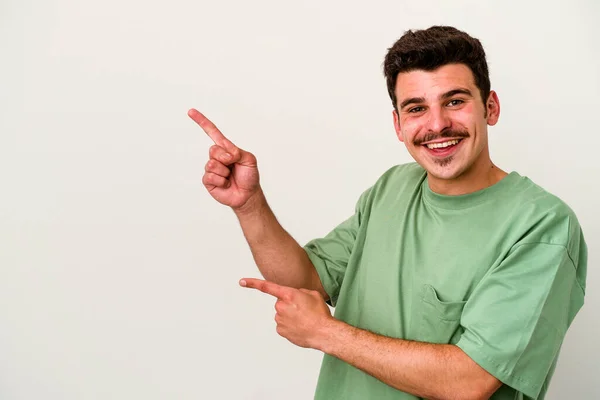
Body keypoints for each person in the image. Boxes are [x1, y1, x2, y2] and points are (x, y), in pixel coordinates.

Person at [190, 25, 587, 400]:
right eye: (416, 108)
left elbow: (470, 380)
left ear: (491, 107)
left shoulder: (542, 226)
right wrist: (249, 204)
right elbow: (307, 284)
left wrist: (326, 333)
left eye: (455, 101)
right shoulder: (391, 188)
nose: (437, 124)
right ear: (398, 124)